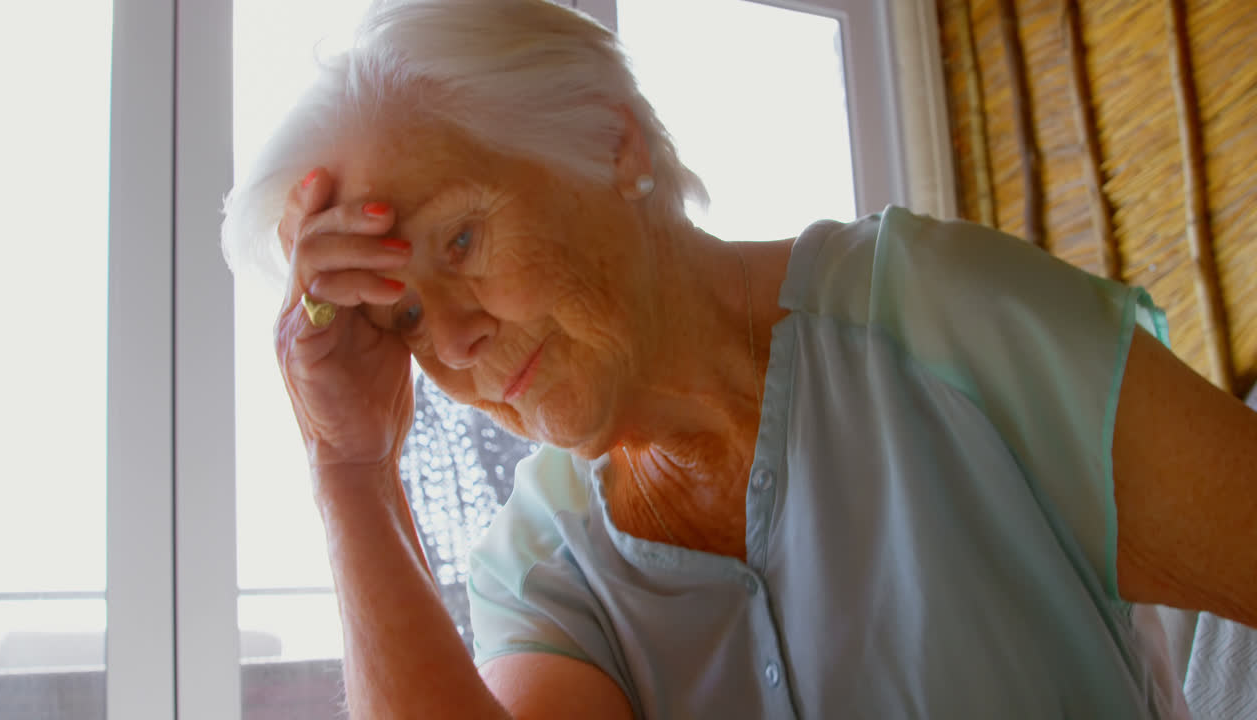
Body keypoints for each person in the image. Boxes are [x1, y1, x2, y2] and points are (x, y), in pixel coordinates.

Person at [220, 0, 1257, 717]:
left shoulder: (942, 322)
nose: (450, 343)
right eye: (402, 324)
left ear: (609, 140)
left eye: (459, 242)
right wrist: (347, 470)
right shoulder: (545, 565)